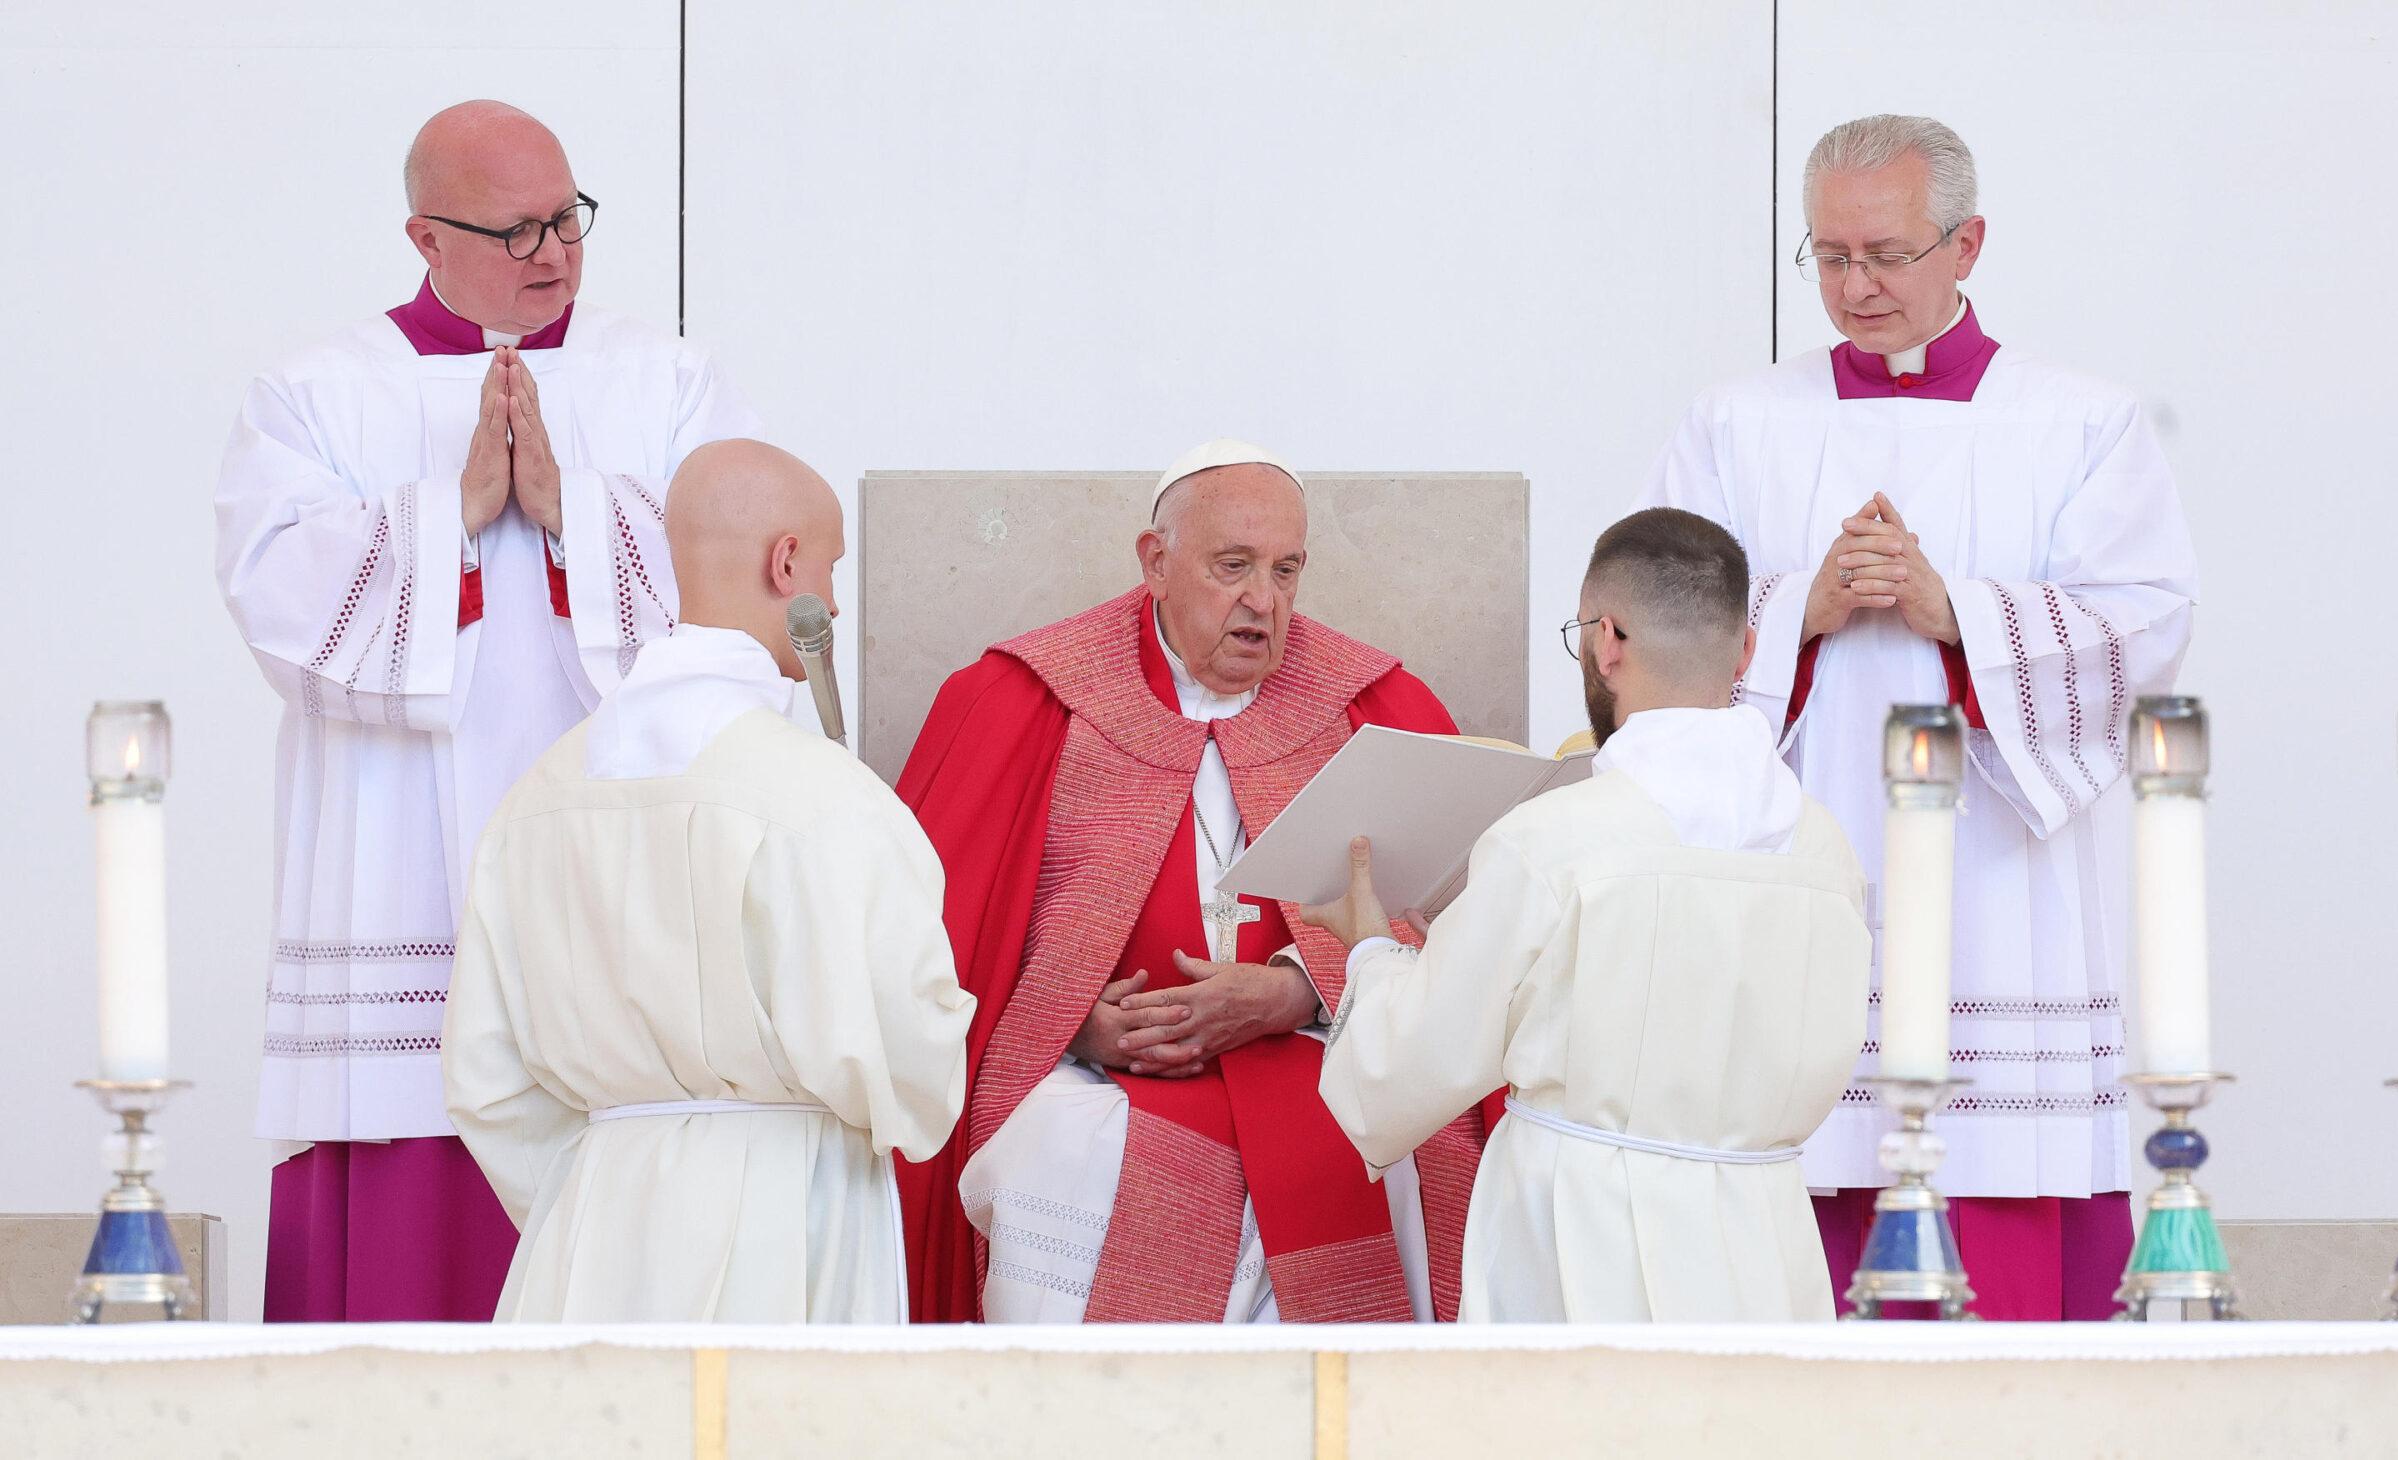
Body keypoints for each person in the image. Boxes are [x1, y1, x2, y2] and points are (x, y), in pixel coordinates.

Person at [1637, 114, 2198, 1319]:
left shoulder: (2079, 421)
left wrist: (1957, 613)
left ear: (1966, 243)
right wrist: (1802, 611)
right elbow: (1648, 628)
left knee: (1996, 1203)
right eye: (1828, 256)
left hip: (2002, 891)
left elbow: (2145, 623)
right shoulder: (1738, 423)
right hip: (1796, 868)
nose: (1855, 285)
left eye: (1885, 254)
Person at [213, 100, 762, 1321]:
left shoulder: (668, 380)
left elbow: (743, 595)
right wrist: (446, 514)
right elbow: (276, 605)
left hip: (612, 852)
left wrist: (579, 512)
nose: (555, 253)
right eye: (516, 231)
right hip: (393, 852)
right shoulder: (313, 394)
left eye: (569, 219)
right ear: (425, 237)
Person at [894, 439, 1492, 1323]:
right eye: (1233, 567)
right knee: (1051, 1152)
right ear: (1155, 561)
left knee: (1397, 1151)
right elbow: (941, 948)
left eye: (1287, 571)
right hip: (1099, 1080)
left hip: (1317, 1055)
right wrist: (1073, 1026)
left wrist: (1298, 992)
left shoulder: (1371, 707)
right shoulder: (1028, 701)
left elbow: (1459, 922)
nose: (1264, 602)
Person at [443, 440, 971, 1322]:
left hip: (591, 1229)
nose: (834, 602)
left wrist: (597, 1187)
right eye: (831, 568)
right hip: (787, 1214)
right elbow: (908, 1059)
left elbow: (487, 1083)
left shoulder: (536, 801)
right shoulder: (823, 798)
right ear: (787, 561)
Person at [1303, 508, 1869, 1321]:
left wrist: (1370, 951)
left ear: (1607, 640)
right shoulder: (1825, 850)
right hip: (1762, 1245)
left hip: (1578, 1238)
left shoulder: (1554, 841)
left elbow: (1405, 1068)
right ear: (1746, 650)